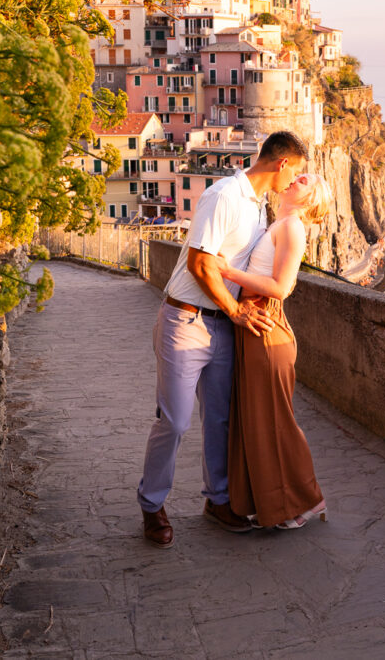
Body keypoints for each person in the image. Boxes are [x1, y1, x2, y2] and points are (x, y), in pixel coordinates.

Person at [137, 130, 309, 547]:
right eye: (296, 172)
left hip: (225, 326)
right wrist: (236, 310)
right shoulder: (224, 196)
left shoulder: (256, 210)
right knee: (175, 421)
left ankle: (218, 500)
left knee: (220, 419)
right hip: (186, 320)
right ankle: (151, 504)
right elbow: (199, 263)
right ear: (282, 163)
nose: (294, 182)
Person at [216, 172, 333, 529]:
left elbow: (280, 287)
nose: (296, 178)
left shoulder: (293, 227)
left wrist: (226, 272)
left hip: (266, 330)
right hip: (254, 325)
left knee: (276, 423)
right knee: (257, 421)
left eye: (304, 180)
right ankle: (269, 503)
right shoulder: (279, 223)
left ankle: (308, 500)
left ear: (310, 200)